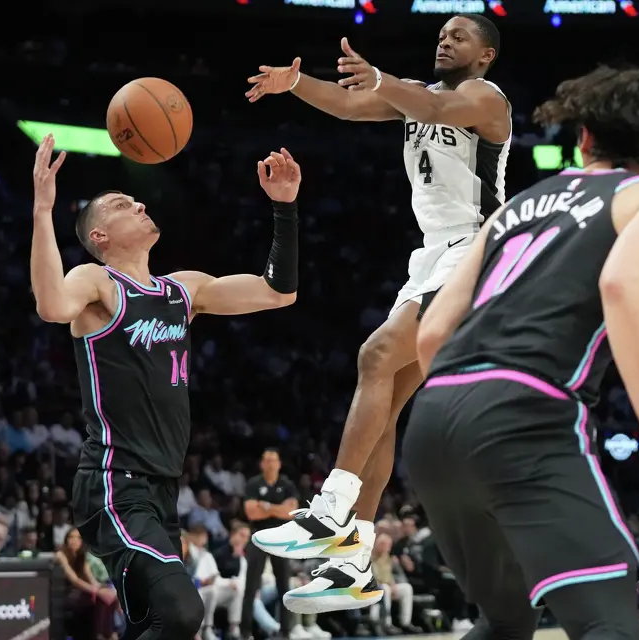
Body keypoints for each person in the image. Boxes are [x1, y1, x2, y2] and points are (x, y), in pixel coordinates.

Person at [400, 65, 639, 639]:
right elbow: (620, 283)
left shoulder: (515, 207)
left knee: (508, 619)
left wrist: (464, 407)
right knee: (606, 620)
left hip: (433, 418)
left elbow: (432, 331)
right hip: (524, 411)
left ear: (584, 136)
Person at [246, 13, 512, 612]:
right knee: (385, 401)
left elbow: (437, 110)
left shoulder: (486, 99)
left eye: (459, 36)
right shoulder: (414, 98)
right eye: (441, 33)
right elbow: (350, 107)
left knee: (374, 355)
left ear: (486, 55)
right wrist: (296, 86)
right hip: (432, 257)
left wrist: (381, 78)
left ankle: (330, 508)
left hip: (478, 249)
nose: (445, 40)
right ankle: (354, 561)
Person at [29, 134, 301, 640]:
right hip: (115, 483)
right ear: (101, 236)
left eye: (134, 198)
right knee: (182, 613)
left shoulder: (183, 289)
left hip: (161, 489)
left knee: (151, 624)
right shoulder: (98, 283)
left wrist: (284, 209)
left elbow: (277, 293)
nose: (138, 201)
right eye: (120, 205)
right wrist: (43, 211)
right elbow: (50, 304)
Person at [241, 449, 298, 638]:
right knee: (251, 585)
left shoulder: (287, 484)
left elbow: (291, 513)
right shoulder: (253, 484)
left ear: (279, 464)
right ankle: (245, 631)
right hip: (259, 536)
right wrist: (278, 509)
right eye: (267, 460)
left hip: (281, 537)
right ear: (261, 464)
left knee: (284, 584)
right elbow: (251, 513)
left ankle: (286, 631)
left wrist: (266, 507)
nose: (271, 464)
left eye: (274, 460)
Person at [57, 527, 119, 640]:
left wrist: (106, 590)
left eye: (78, 538)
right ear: (66, 539)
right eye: (71, 537)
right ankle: (102, 634)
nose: (74, 540)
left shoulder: (82, 556)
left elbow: (91, 578)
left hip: (82, 592)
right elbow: (74, 580)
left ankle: (108, 633)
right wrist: (98, 592)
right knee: (100, 597)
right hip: (67, 593)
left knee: (108, 597)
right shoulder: (61, 555)